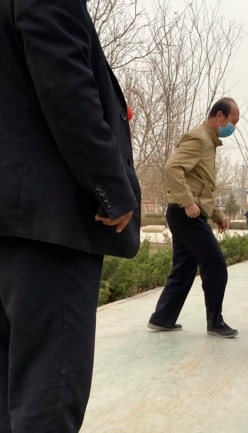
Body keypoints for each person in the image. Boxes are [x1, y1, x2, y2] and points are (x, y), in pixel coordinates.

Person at [0, 2, 141, 431]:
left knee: (10, 390)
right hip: (50, 227)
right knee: (49, 396)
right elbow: (65, 85)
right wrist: (113, 189)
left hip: (13, 217)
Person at [147, 98, 240, 338]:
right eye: (232, 121)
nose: (233, 127)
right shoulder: (199, 138)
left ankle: (162, 318)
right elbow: (171, 168)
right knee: (215, 264)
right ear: (219, 116)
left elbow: (202, 185)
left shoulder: (209, 142)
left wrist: (218, 215)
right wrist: (188, 202)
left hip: (187, 212)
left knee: (184, 268)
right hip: (185, 212)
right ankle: (215, 323)